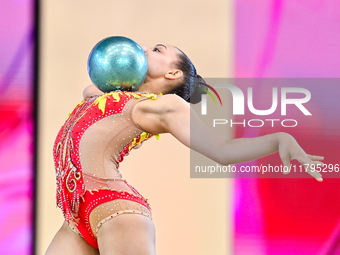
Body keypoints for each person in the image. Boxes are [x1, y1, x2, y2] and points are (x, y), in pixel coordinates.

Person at [46, 43, 324, 255]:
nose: (141, 49)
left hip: (115, 211)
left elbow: (223, 150)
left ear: (172, 72)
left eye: (156, 49)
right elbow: (89, 89)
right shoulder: (110, 96)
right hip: (74, 219)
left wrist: (278, 140)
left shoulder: (165, 106)